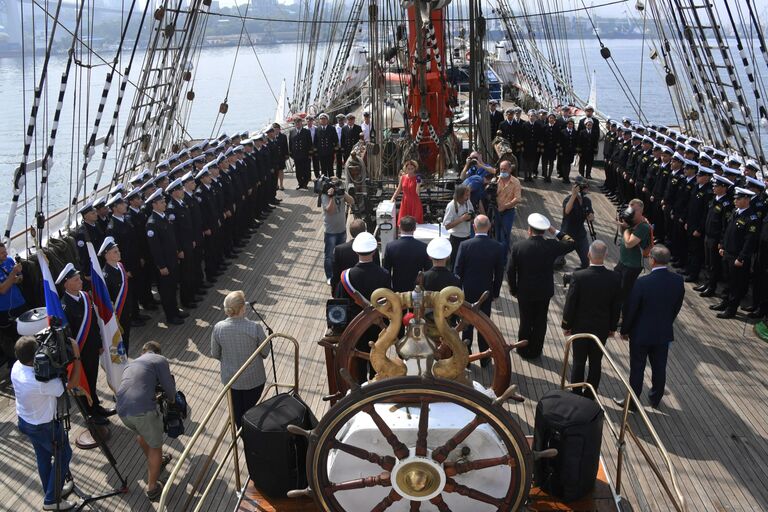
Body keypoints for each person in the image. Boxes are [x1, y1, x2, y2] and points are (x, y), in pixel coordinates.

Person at [12, 335, 82, 510]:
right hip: (44, 426)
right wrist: (77, 357)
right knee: (64, 454)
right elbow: (70, 384)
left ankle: (52, 491)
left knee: (43, 457)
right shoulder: (40, 380)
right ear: (34, 357)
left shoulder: (16, 366)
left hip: (25, 421)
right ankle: (51, 500)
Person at [615, 245, 684, 410]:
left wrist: (625, 330)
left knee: (637, 368)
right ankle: (655, 399)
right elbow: (676, 306)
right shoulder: (677, 281)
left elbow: (632, 309)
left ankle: (632, 402)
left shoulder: (642, 283)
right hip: (663, 334)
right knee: (660, 367)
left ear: (652, 260)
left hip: (641, 335)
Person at [508, 213, 576, 359]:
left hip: (524, 291)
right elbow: (571, 243)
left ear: (529, 230)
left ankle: (522, 349)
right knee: (540, 321)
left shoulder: (518, 247)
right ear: (544, 230)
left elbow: (511, 271)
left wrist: (514, 290)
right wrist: (553, 230)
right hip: (544, 291)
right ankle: (536, 350)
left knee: (525, 321)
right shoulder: (551, 245)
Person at [116, 341, 176, 502]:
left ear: (143, 351)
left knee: (142, 434)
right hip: (143, 410)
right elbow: (169, 388)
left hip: (122, 410)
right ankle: (152, 488)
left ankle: (154, 460)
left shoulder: (131, 364)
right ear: (157, 352)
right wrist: (172, 401)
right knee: (156, 447)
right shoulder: (159, 359)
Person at [561, 241, 621, 398]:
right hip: (601, 328)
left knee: (578, 361)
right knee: (596, 362)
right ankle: (590, 394)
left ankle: (575, 393)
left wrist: (566, 324)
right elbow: (616, 306)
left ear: (588, 255)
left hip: (580, 327)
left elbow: (570, 303)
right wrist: (612, 328)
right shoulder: (614, 278)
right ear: (606, 255)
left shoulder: (579, 276)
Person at [57, 263, 114, 424]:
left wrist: (99, 343)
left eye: (80, 278)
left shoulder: (84, 296)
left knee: (92, 379)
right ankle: (91, 415)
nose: (80, 281)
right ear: (66, 283)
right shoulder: (64, 307)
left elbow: (93, 321)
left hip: (91, 349)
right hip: (79, 354)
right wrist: (75, 357)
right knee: (84, 383)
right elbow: (68, 335)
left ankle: (96, 405)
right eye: (76, 280)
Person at [334, 232, 390, 381]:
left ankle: (360, 387)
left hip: (355, 326)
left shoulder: (346, 276)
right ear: (373, 252)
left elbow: (339, 300)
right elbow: (388, 302)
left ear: (355, 251)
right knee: (377, 359)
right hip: (377, 326)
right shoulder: (384, 275)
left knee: (357, 361)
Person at [210, 291, 270, 428]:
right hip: (254, 380)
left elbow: (215, 353)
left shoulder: (218, 328)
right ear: (243, 308)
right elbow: (265, 352)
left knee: (237, 415)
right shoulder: (254, 328)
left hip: (231, 380)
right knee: (251, 413)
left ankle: (241, 436)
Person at [454, 215, 505, 362]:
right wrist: (495, 292)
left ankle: (467, 357)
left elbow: (458, 271)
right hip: (486, 291)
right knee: (484, 324)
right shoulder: (497, 247)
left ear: (474, 227)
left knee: (466, 325)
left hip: (467, 291)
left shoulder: (465, 245)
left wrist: (458, 292)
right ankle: (484, 357)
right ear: (489, 227)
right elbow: (499, 273)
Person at [710, 187, 759, 318]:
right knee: (728, 281)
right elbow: (727, 230)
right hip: (728, 252)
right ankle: (725, 302)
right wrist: (722, 245)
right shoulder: (735, 212)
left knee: (736, 284)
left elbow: (750, 241)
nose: (735, 201)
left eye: (738, 199)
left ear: (747, 200)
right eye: (735, 198)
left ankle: (731, 309)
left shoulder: (752, 218)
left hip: (737, 257)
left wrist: (742, 258)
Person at [144, 189, 187, 326]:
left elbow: (171, 239)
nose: (165, 204)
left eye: (164, 201)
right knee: (166, 291)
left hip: (172, 260)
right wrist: (161, 266)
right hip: (164, 265)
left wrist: (177, 251)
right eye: (162, 202)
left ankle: (175, 310)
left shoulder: (164, 216)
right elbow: (155, 248)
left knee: (173, 287)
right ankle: (171, 316)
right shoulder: (152, 223)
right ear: (154, 205)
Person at [615, 198, 651, 311]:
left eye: (633, 210)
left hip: (633, 265)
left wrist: (626, 229)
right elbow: (623, 233)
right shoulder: (632, 221)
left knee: (625, 292)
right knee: (616, 285)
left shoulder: (643, 226)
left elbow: (629, 243)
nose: (629, 212)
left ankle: (624, 315)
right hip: (623, 261)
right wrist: (623, 224)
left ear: (640, 212)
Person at [99, 237, 132, 353]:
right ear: (107, 255)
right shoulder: (106, 276)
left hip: (126, 312)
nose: (119, 253)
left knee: (126, 341)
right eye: (115, 252)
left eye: (118, 250)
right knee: (118, 345)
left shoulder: (120, 267)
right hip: (116, 316)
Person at [330, 219, 381, 294]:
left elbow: (336, 272)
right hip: (368, 289)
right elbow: (377, 268)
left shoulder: (339, 249)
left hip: (347, 289)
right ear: (364, 231)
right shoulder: (371, 248)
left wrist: (334, 289)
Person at [382, 216, 431, 292]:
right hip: (417, 289)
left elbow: (386, 271)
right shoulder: (423, 247)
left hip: (397, 288)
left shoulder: (390, 247)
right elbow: (428, 271)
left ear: (400, 227)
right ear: (415, 228)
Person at [322, 178, 355, 285]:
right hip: (330, 232)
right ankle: (330, 276)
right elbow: (330, 211)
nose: (337, 188)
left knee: (340, 255)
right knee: (329, 256)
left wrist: (343, 193)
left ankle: (340, 276)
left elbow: (352, 201)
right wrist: (331, 196)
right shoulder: (324, 195)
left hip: (341, 230)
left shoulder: (341, 194)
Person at [0, 241, 26, 367]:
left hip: (20, 304)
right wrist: (13, 274)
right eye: (1, 253)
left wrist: (17, 277)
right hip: (5, 312)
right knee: (13, 340)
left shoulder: (9, 261)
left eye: (5, 251)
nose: (5, 254)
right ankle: (15, 365)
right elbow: (3, 289)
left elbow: (20, 278)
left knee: (25, 334)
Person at [559, 175, 594, 269]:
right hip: (567, 235)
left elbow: (591, 215)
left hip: (580, 235)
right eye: (585, 187)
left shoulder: (587, 201)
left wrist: (591, 216)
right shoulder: (568, 199)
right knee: (555, 263)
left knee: (587, 263)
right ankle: (561, 259)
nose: (587, 189)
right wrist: (574, 195)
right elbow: (567, 211)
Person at [442, 185, 475, 271]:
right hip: (456, 239)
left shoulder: (468, 202)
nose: (468, 198)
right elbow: (447, 226)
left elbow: (472, 216)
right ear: (460, 195)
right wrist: (461, 219)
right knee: (455, 263)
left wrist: (472, 218)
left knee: (466, 263)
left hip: (467, 237)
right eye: (466, 195)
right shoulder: (451, 206)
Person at [494, 160, 522, 261]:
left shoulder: (515, 182)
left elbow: (517, 198)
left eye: (505, 169)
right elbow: (493, 194)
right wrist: (497, 182)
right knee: (497, 233)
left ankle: (503, 259)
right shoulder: (497, 180)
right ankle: (497, 256)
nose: (502, 171)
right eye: (501, 169)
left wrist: (505, 206)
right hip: (497, 210)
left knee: (504, 235)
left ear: (510, 169)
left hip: (508, 211)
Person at [391, 160, 424, 224]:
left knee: (415, 223)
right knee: (403, 222)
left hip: (415, 202)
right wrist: (393, 198)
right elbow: (398, 189)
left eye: (412, 169)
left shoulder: (417, 177)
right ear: (406, 169)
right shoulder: (402, 177)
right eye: (408, 169)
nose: (410, 170)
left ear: (415, 168)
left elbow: (417, 193)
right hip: (405, 202)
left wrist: (418, 185)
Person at [289, 117, 313, 190]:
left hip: (305, 154)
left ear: (301, 123)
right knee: (298, 170)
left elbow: (310, 143)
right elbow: (290, 143)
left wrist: (310, 154)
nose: (297, 124)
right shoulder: (292, 131)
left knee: (305, 170)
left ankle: (305, 183)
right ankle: (300, 183)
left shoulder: (306, 131)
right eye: (296, 123)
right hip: (296, 155)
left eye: (299, 122)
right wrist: (291, 153)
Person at [558, 118, 578, 183]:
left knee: (568, 164)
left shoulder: (575, 132)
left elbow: (575, 142)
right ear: (567, 125)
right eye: (569, 124)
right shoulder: (563, 131)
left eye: (571, 124)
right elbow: (560, 142)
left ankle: (567, 176)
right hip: (564, 151)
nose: (570, 125)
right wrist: (560, 151)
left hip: (571, 151)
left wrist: (575, 151)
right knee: (564, 164)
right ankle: (564, 177)